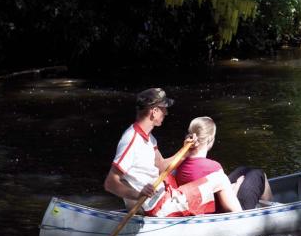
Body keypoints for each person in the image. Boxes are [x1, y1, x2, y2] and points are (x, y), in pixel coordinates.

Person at [103, 88, 243, 217]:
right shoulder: (132, 140)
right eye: (164, 109)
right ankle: (241, 220)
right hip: (159, 207)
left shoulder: (148, 138)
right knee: (220, 179)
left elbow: (162, 166)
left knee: (175, 177)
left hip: (159, 201)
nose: (166, 113)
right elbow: (110, 183)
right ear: (154, 111)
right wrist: (137, 194)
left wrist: (185, 150)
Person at [175, 116, 273, 210]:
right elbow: (226, 204)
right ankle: (271, 215)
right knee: (259, 174)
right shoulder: (213, 167)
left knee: (244, 170)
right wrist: (238, 185)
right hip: (225, 212)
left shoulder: (180, 164)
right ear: (210, 140)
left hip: (202, 203)